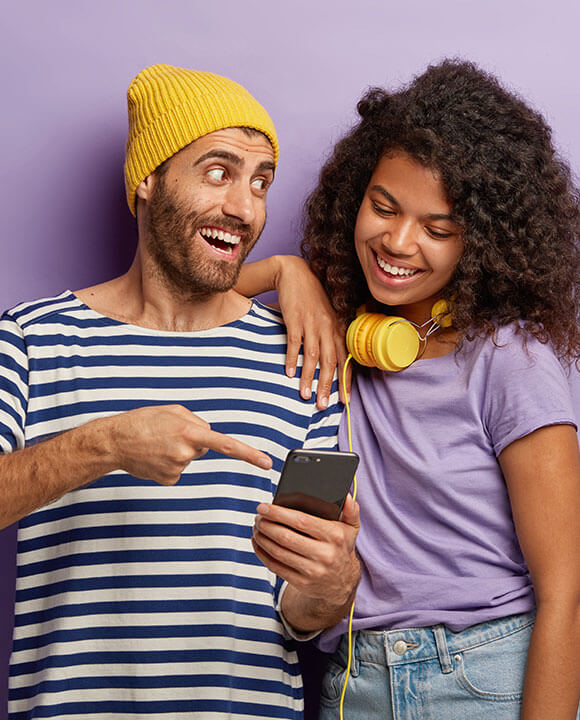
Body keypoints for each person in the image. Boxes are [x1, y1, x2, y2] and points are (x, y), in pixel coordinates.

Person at [0, 64, 360, 720]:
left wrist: (329, 592)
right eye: (218, 171)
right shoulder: (31, 339)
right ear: (149, 179)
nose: (245, 208)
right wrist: (103, 443)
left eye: (260, 181)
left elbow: (299, 610)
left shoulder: (302, 357)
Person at [249, 60, 580, 719]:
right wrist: (282, 269)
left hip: (484, 676)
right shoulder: (335, 336)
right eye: (384, 207)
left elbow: (567, 588)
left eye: (438, 229)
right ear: (355, 196)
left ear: (481, 243)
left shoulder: (510, 359)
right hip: (357, 683)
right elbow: (180, 311)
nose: (398, 242)